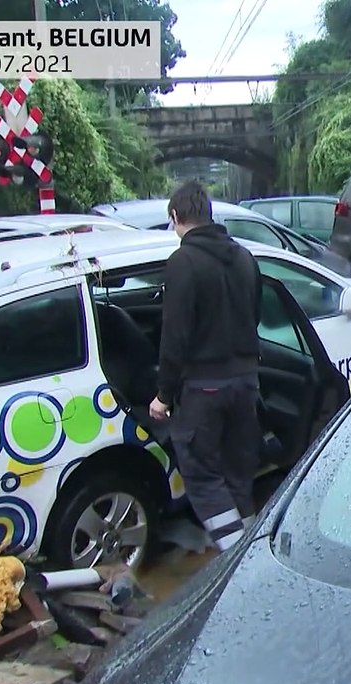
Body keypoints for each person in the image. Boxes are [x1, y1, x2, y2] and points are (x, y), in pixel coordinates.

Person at [150, 181, 264, 553]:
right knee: (238, 474)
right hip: (246, 384)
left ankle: (236, 560)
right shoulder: (246, 257)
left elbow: (175, 337)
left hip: (204, 389)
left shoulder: (183, 262)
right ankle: (250, 545)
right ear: (209, 215)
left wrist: (163, 396)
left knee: (203, 478)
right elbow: (255, 315)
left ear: (175, 217)